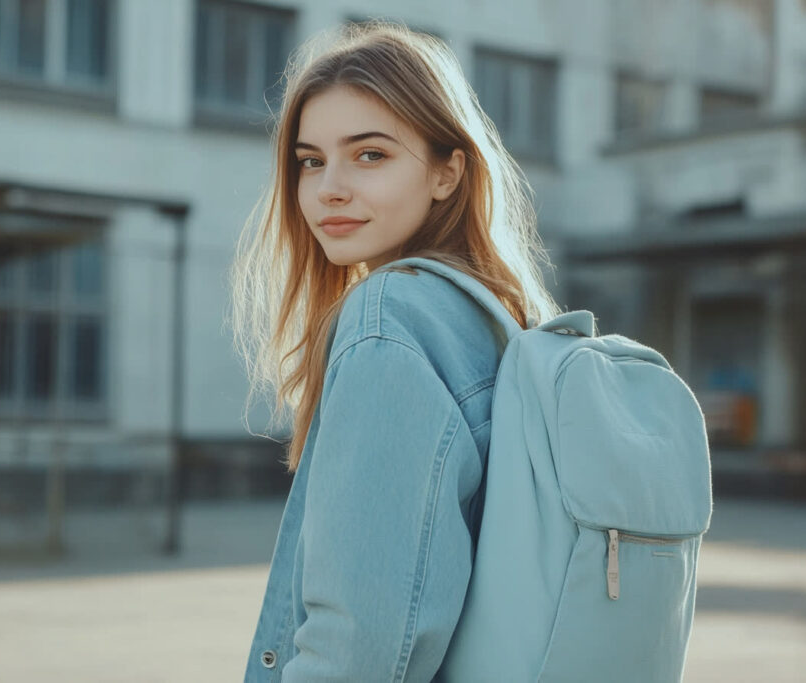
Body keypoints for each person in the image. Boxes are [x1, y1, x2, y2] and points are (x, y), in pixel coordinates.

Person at [229, 20, 562, 681]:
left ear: (447, 172)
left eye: (370, 155)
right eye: (310, 160)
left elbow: (361, 646)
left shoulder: (389, 321)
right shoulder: (507, 322)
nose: (329, 189)